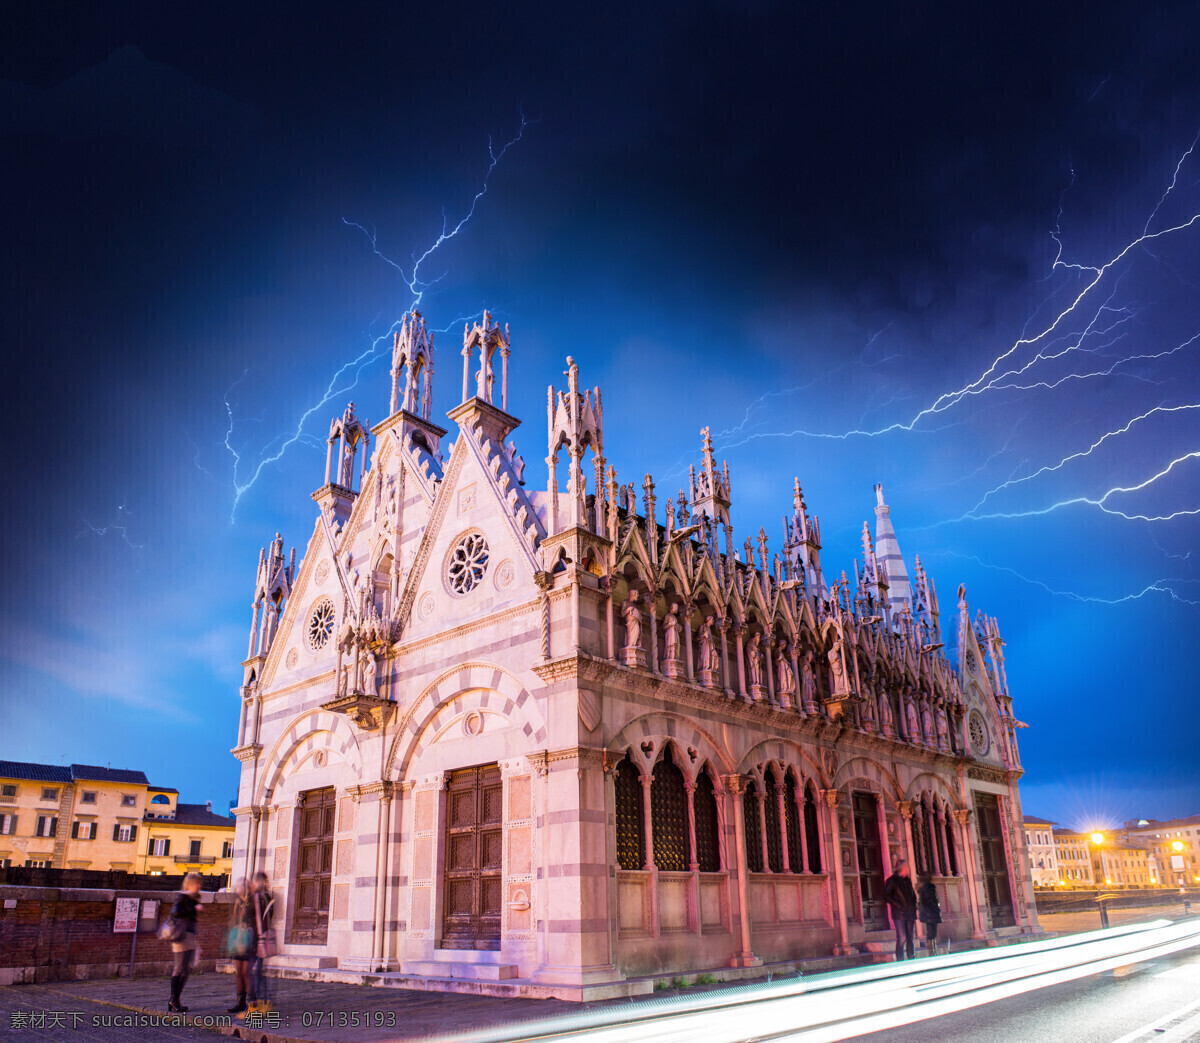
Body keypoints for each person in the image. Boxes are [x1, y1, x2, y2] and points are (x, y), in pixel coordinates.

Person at [168, 872, 204, 1013]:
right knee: (179, 967)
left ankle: (175, 999)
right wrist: (193, 909)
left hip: (190, 936)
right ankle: (174, 1000)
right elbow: (176, 912)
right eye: (196, 883)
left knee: (187, 969)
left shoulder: (193, 898)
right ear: (189, 884)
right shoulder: (182, 897)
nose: (198, 886)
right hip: (181, 937)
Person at [226, 879, 256, 1014]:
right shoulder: (238, 902)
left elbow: (257, 920)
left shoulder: (253, 902)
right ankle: (240, 1002)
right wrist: (238, 915)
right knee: (239, 972)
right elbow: (232, 920)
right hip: (238, 936)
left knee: (246, 972)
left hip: (249, 937)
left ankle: (252, 1003)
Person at [248, 872, 276, 1014]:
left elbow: (252, 917)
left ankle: (254, 1002)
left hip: (256, 936)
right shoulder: (268, 897)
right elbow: (270, 916)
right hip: (263, 935)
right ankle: (263, 1001)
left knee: (253, 970)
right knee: (258, 969)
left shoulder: (256, 898)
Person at [883, 859, 918, 961]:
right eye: (906, 867)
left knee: (910, 938)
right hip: (900, 914)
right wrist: (898, 905)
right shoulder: (892, 881)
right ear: (902, 868)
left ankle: (912, 958)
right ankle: (900, 960)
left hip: (910, 913)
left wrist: (915, 905)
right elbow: (886, 896)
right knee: (902, 938)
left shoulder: (907, 880)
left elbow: (912, 894)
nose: (908, 869)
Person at [917, 874, 943, 956]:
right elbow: (932, 900)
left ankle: (932, 950)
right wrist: (936, 906)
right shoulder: (928, 888)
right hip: (930, 912)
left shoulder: (924, 888)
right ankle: (932, 951)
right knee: (932, 932)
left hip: (928, 913)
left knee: (931, 932)